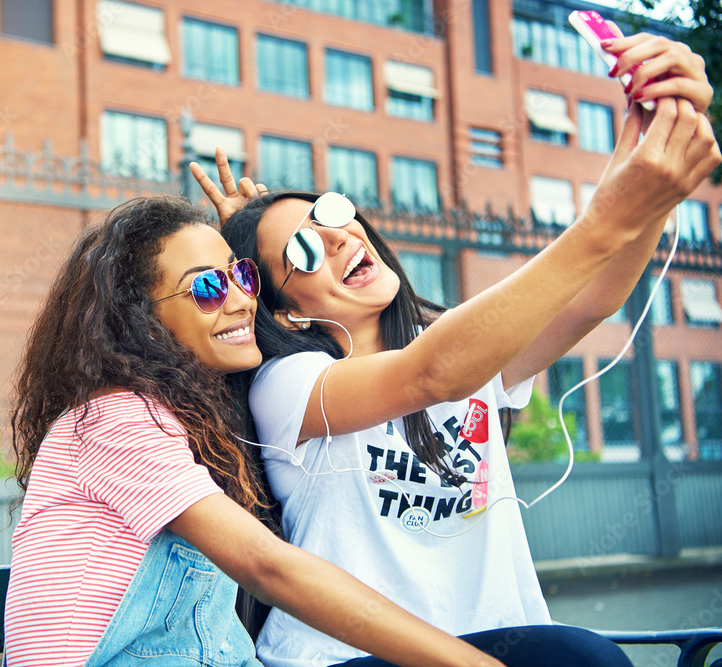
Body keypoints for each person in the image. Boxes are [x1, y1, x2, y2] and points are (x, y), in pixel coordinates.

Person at [193, 32, 720, 667]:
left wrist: (649, 144)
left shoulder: (459, 347)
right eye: (302, 251)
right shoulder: (290, 385)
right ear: (288, 312)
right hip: (341, 658)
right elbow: (431, 376)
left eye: (330, 215)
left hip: (495, 639)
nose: (335, 240)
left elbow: (590, 299)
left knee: (588, 659)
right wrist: (613, 212)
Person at [1, 195, 509, 666]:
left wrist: (272, 239)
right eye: (208, 287)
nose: (244, 300)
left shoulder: (200, 422)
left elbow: (421, 342)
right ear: (141, 323)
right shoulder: (115, 421)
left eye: (244, 275)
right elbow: (268, 568)